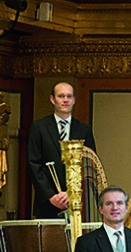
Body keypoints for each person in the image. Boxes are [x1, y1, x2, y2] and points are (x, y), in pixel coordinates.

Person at [25, 80, 94, 215]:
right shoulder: (39, 127)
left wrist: (71, 193)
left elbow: (89, 166)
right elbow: (33, 164)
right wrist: (51, 196)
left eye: (69, 96)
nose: (65, 100)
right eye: (61, 96)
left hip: (76, 203)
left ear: (74, 100)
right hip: (47, 203)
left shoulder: (84, 130)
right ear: (52, 99)